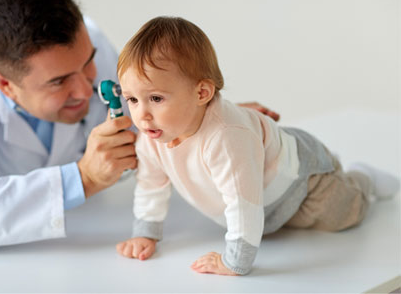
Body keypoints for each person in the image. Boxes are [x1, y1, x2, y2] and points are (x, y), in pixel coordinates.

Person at [0, 0, 278, 254]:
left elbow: (146, 123)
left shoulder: (88, 41)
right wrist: (82, 178)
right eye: (59, 82)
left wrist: (204, 118)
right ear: (5, 84)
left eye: (88, 64)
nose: (86, 90)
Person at [115, 16, 400, 276]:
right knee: (279, 228)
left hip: (301, 182)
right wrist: (146, 233)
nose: (141, 115)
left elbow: (243, 203)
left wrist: (234, 261)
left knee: (343, 214)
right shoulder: (153, 136)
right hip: (266, 199)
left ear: (202, 92)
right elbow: (151, 185)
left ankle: (363, 179)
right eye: (132, 100)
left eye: (155, 98)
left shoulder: (226, 137)